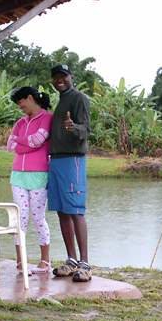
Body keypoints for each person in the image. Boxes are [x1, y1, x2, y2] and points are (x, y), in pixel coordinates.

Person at [47, 64, 92, 282]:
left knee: (75, 210)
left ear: (71, 77)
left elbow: (86, 129)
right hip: (56, 160)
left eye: (63, 76)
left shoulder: (79, 98)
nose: (60, 80)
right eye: (56, 77)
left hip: (72, 160)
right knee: (62, 211)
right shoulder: (61, 100)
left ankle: (85, 264)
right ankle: (71, 261)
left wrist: (73, 127)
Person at [7, 86, 53, 274]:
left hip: (39, 175)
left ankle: (45, 261)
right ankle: (21, 262)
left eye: (21, 102)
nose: (20, 107)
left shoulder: (47, 118)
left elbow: (38, 140)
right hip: (18, 176)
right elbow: (10, 145)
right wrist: (28, 143)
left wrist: (21, 141)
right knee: (21, 218)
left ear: (30, 98)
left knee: (38, 217)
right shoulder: (20, 122)